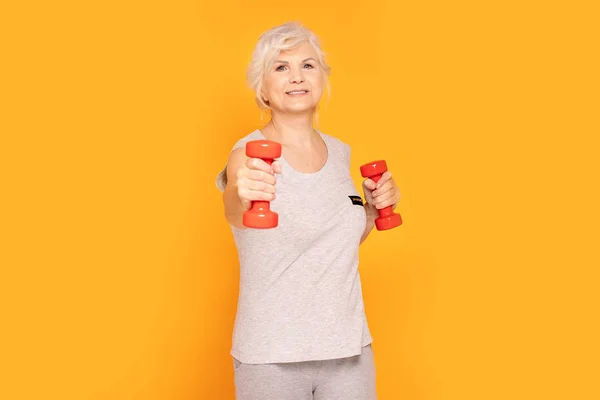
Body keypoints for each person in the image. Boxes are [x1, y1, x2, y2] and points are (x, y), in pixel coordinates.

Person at [215, 21, 401, 400]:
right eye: (280, 67)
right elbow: (235, 210)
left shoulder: (341, 153)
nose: (296, 76)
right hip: (272, 355)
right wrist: (241, 193)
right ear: (262, 89)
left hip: (349, 350)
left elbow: (327, 242)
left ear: (322, 78)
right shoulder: (246, 155)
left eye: (307, 65)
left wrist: (369, 211)